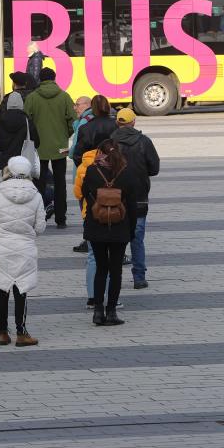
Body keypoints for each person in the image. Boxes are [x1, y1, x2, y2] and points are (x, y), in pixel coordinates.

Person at [0, 156, 46, 347]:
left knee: (2, 289)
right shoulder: (36, 194)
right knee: (22, 290)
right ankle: (21, 332)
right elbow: (40, 227)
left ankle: (2, 332)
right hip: (25, 247)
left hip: (2, 247)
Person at [81, 140, 138, 327]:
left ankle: (98, 311)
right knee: (115, 271)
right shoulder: (126, 172)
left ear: (101, 152)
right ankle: (111, 311)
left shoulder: (91, 171)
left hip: (96, 227)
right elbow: (132, 205)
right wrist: (131, 230)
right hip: (119, 227)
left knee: (100, 268)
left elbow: (84, 195)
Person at [111, 108, 159, 290]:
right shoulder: (144, 142)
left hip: (116, 197)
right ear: (133, 122)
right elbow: (154, 168)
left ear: (118, 122)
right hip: (139, 197)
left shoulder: (110, 143)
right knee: (137, 239)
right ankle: (139, 277)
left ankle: (115, 277)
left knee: (117, 240)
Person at [24, 67, 76, 228]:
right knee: (60, 183)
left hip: (39, 149)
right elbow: (73, 122)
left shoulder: (32, 98)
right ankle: (61, 218)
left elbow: (27, 121)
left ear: (40, 79)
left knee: (39, 184)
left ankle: (39, 218)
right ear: (54, 78)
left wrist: (34, 138)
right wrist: (64, 136)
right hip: (60, 148)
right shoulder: (65, 96)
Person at [69, 95, 93, 253]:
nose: (75, 107)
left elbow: (76, 148)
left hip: (82, 170)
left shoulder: (84, 122)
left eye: (77, 104)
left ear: (86, 105)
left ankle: (88, 239)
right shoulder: (89, 119)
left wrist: (69, 153)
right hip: (92, 170)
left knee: (84, 207)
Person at [0, 91, 39, 175]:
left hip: (6, 163)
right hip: (24, 162)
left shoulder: (1, 122)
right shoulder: (27, 121)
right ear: (21, 104)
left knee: (8, 186)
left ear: (8, 105)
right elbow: (37, 143)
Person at [71, 94, 116, 166]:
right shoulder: (117, 125)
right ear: (108, 106)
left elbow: (77, 156)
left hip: (93, 170)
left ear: (92, 108)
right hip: (114, 169)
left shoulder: (85, 128)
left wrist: (87, 170)